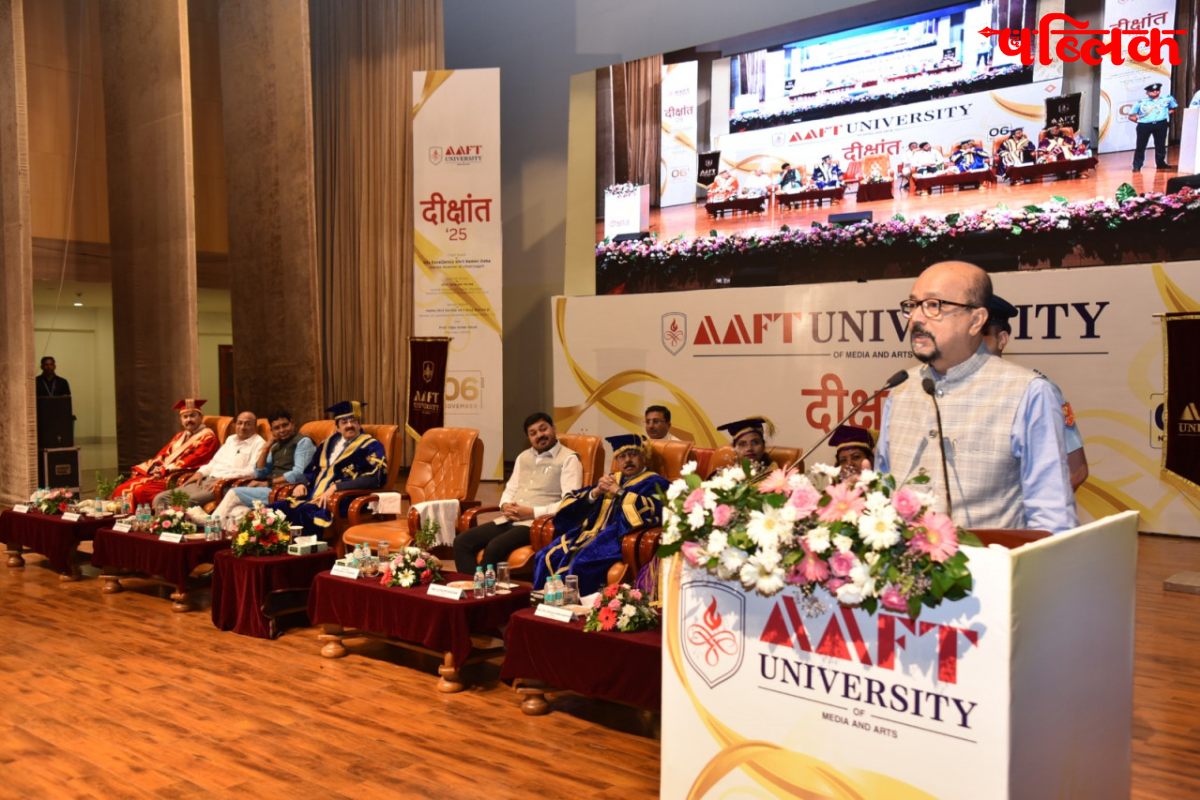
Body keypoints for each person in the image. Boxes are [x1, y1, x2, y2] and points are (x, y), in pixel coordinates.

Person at [874, 261, 1077, 533]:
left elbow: (1052, 520)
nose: (916, 318)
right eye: (913, 305)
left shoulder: (1027, 393)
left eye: (933, 305)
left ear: (976, 320)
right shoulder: (901, 389)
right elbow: (884, 492)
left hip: (989, 559)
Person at [532, 434, 668, 596]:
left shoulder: (656, 483)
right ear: (616, 461)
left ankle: (578, 607)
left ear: (644, 458)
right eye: (622, 456)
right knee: (544, 556)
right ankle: (545, 604)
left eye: (633, 455)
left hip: (617, 538)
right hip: (588, 533)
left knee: (580, 564)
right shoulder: (612, 478)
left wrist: (619, 492)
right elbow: (572, 501)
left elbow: (655, 510)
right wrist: (595, 493)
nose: (627, 460)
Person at [453, 412, 582, 573]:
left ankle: (484, 588)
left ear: (554, 429)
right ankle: (472, 586)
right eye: (533, 433)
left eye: (543, 429)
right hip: (509, 519)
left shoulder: (569, 459)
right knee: (462, 541)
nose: (539, 435)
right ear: (529, 438)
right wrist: (505, 505)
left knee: (494, 547)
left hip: (537, 525)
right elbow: (511, 488)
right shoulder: (523, 457)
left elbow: (570, 502)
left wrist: (532, 512)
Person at [983, 295, 1088, 491]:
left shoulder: (1033, 391)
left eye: (983, 334)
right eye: (966, 336)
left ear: (1001, 339)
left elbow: (1075, 472)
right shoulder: (940, 390)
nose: (972, 344)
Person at [270, 400, 387, 538]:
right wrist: (301, 484)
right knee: (273, 510)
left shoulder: (371, 445)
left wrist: (336, 487)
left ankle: (306, 550)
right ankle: (277, 549)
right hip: (313, 495)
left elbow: (374, 479)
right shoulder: (327, 443)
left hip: (343, 499)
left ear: (359, 423)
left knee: (303, 513)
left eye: (353, 421)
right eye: (344, 422)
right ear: (337, 427)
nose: (349, 425)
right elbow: (311, 469)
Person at [212, 409, 316, 529]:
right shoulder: (276, 446)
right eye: (277, 428)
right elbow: (260, 472)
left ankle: (210, 526)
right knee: (238, 512)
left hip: (287, 490)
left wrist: (268, 483)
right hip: (273, 489)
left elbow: (299, 473)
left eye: (285, 425)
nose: (282, 430)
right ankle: (223, 537)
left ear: (292, 423)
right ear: (272, 431)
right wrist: (267, 446)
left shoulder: (303, 442)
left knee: (233, 493)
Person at [113, 399, 220, 507]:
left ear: (201, 417)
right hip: (164, 473)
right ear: (181, 420)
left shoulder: (208, 438)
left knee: (140, 492)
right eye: (185, 417)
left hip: (179, 476)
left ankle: (145, 517)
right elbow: (164, 453)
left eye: (192, 416)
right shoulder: (180, 436)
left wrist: (164, 470)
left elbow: (194, 460)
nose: (189, 420)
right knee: (122, 488)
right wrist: (156, 467)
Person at [152, 410, 266, 510]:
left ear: (255, 427)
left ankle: (179, 527)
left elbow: (253, 471)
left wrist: (224, 479)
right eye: (239, 423)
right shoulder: (231, 440)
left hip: (226, 485)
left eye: (248, 424)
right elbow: (214, 463)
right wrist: (200, 473)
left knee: (186, 501)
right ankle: (162, 526)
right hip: (207, 480)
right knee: (160, 498)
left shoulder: (259, 443)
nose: (242, 427)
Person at [1128, 83, 1177, 172]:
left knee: (1161, 145)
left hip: (1161, 124)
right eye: (1152, 91)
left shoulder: (1167, 99)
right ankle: (1137, 165)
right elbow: (1131, 116)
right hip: (1144, 125)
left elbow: (1173, 108)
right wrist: (1141, 121)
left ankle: (1160, 163)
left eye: (1157, 90)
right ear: (1147, 92)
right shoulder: (1141, 102)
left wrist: (1164, 115)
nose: (1155, 92)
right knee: (1141, 146)